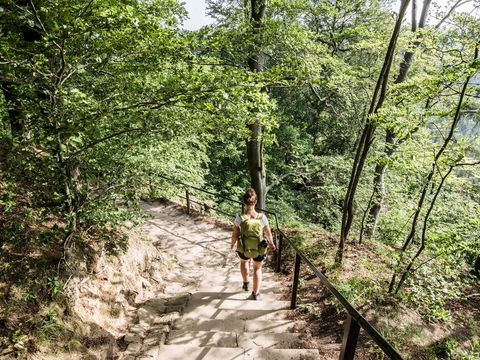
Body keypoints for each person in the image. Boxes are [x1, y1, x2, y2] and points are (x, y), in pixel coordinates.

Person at [230, 188, 276, 300]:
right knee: (257, 268)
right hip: (259, 248)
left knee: (244, 262)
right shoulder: (262, 217)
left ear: (244, 203)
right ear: (255, 202)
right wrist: (271, 243)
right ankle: (255, 293)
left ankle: (246, 282)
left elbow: (235, 234)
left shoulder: (239, 218)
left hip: (244, 247)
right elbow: (268, 234)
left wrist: (232, 245)